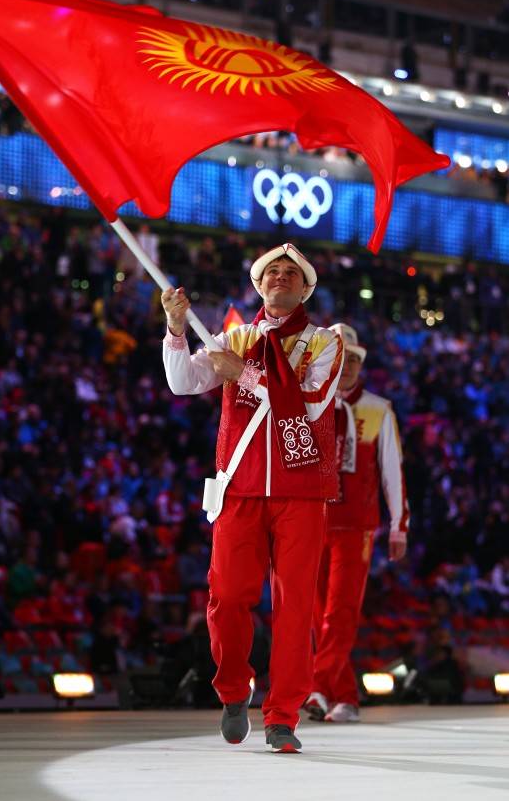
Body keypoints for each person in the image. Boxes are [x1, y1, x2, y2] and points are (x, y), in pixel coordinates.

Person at [161, 243, 343, 753]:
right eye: (272, 272)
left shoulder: (324, 342)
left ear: (305, 290)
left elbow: (311, 403)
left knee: (295, 607)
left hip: (301, 491)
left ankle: (282, 715)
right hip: (239, 487)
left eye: (291, 273)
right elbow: (182, 382)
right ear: (259, 286)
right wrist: (176, 328)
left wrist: (240, 372)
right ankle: (233, 690)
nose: (281, 277)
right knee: (225, 599)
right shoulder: (233, 337)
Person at [305, 322, 409, 724]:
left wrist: (399, 524)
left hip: (356, 526)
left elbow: (392, 470)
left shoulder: (379, 409)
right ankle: (345, 697)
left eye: (353, 359)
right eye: (339, 357)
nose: (346, 365)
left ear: (361, 364)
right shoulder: (308, 403)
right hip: (311, 521)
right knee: (318, 615)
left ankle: (316, 686)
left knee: (341, 611)